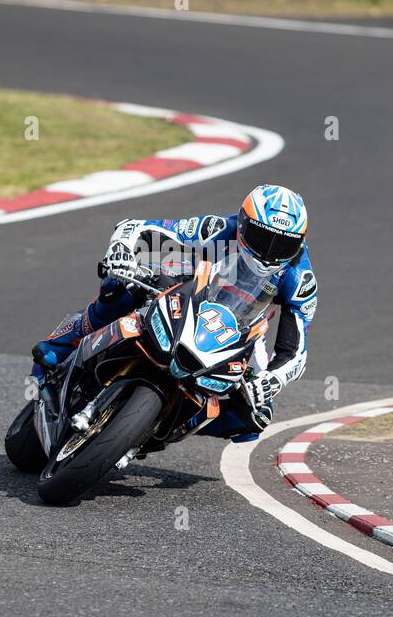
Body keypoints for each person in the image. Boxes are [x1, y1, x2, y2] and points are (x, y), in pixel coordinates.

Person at [31, 184, 317, 442]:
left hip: (238, 328)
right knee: (118, 288)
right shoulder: (217, 230)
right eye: (261, 238)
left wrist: (273, 379)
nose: (268, 254)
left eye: (283, 244)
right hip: (183, 292)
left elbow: (295, 352)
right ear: (242, 223)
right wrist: (123, 253)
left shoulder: (299, 278)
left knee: (256, 415)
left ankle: (159, 427)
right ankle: (59, 345)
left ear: (300, 242)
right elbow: (137, 229)